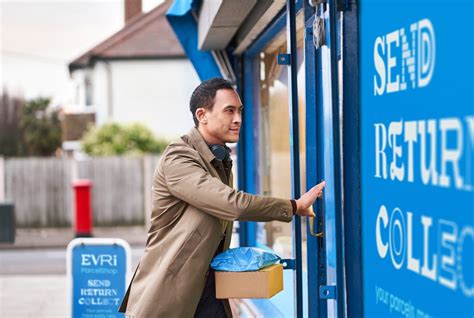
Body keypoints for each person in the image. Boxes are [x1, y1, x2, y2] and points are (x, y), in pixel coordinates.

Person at [119, 77, 325, 317]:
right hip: (170, 296)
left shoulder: (218, 159)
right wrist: (293, 206)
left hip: (205, 290)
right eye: (229, 111)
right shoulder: (179, 158)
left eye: (239, 111)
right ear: (201, 115)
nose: (237, 119)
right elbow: (231, 204)